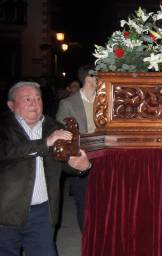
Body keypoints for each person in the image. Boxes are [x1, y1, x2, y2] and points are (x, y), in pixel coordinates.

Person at [0, 81, 92, 256]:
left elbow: (64, 162)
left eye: (38, 98)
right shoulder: (4, 126)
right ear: (11, 105)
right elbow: (6, 151)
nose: (34, 103)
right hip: (5, 213)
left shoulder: (54, 127)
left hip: (42, 211)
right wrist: (45, 143)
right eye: (27, 99)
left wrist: (80, 166)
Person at [56, 65, 99, 231]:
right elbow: (61, 134)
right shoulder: (67, 103)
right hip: (81, 158)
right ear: (89, 79)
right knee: (84, 203)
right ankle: (87, 237)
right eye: (98, 76)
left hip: (104, 158)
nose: (102, 79)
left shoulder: (106, 99)